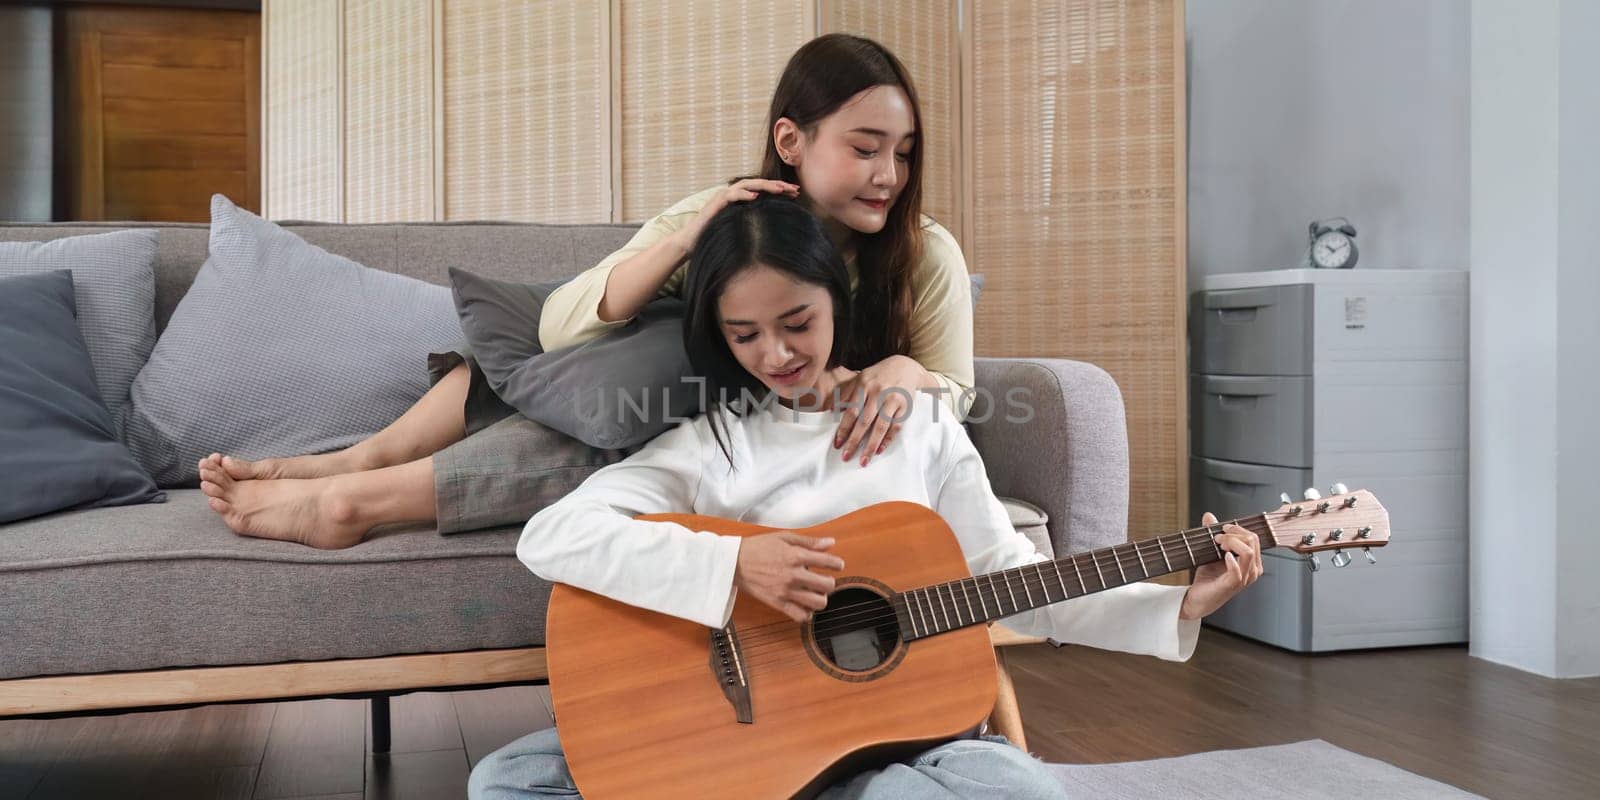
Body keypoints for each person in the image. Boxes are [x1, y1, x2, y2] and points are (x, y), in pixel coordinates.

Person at [466, 195, 1262, 800]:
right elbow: (554, 534)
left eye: (796, 322)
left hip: (895, 752)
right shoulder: (719, 440)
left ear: (835, 303)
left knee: (1021, 790)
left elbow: (1015, 581)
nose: (775, 353)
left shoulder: (919, 426)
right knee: (505, 782)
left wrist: (1178, 606)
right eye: (744, 335)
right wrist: (734, 563)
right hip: (748, 735)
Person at [197, 33, 977, 550]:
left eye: (903, 154)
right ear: (790, 142)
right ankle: (360, 460)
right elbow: (561, 326)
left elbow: (959, 395)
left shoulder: (921, 253)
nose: (889, 176)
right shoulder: (724, 222)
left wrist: (912, 374)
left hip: (752, 433)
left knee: (636, 403)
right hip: (643, 385)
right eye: (866, 149)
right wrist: (681, 240)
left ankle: (355, 501)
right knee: (607, 367)